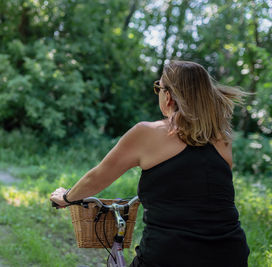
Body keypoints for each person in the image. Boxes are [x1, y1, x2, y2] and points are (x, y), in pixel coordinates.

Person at [50, 60, 250, 267]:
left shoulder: (147, 132)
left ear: (170, 96)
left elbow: (97, 177)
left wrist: (66, 197)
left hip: (170, 255)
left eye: (159, 88)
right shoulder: (222, 138)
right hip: (231, 253)